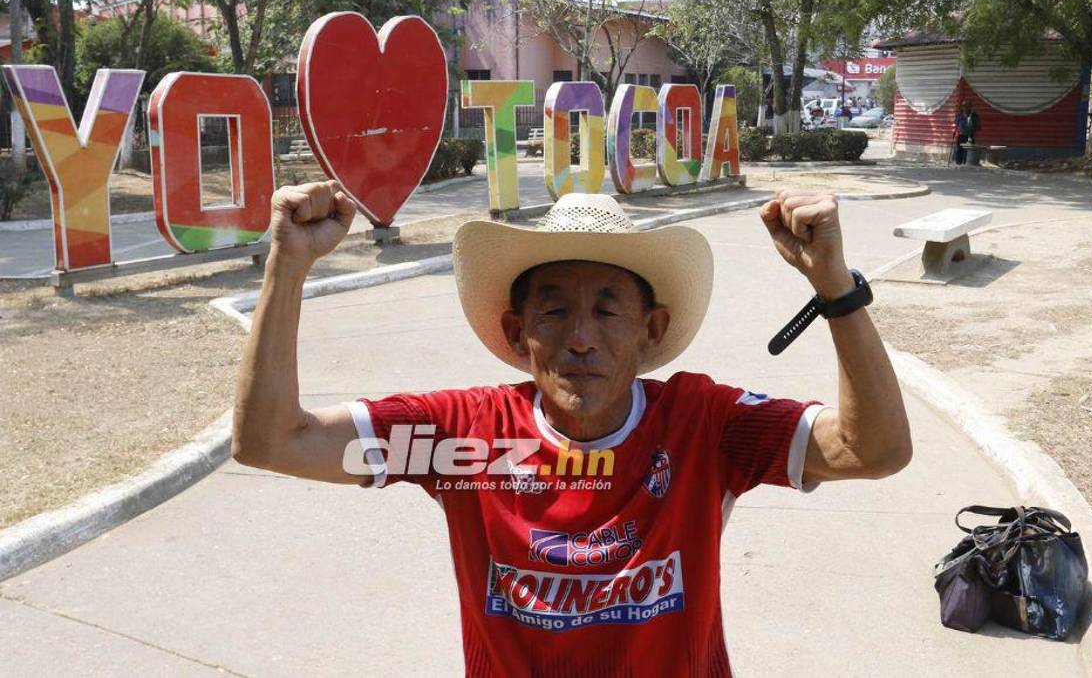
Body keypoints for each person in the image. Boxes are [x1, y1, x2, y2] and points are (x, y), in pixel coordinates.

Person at [233, 182, 912, 676]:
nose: (582, 338)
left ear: (651, 331)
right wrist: (285, 265)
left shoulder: (705, 426)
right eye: (553, 310)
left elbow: (874, 448)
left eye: (609, 309)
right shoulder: (461, 436)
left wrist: (834, 286)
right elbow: (271, 439)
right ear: (516, 332)